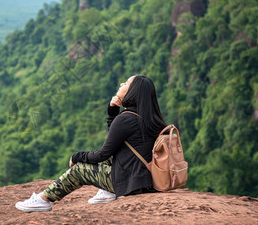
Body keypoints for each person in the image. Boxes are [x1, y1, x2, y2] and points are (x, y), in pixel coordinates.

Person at [15, 75, 167, 212]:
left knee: (80, 169)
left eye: (126, 83)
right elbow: (118, 139)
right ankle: (108, 191)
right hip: (146, 180)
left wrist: (76, 157)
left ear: (133, 92)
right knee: (114, 152)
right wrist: (113, 110)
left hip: (130, 183)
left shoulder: (126, 119)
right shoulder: (153, 118)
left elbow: (102, 154)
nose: (121, 84)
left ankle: (43, 200)